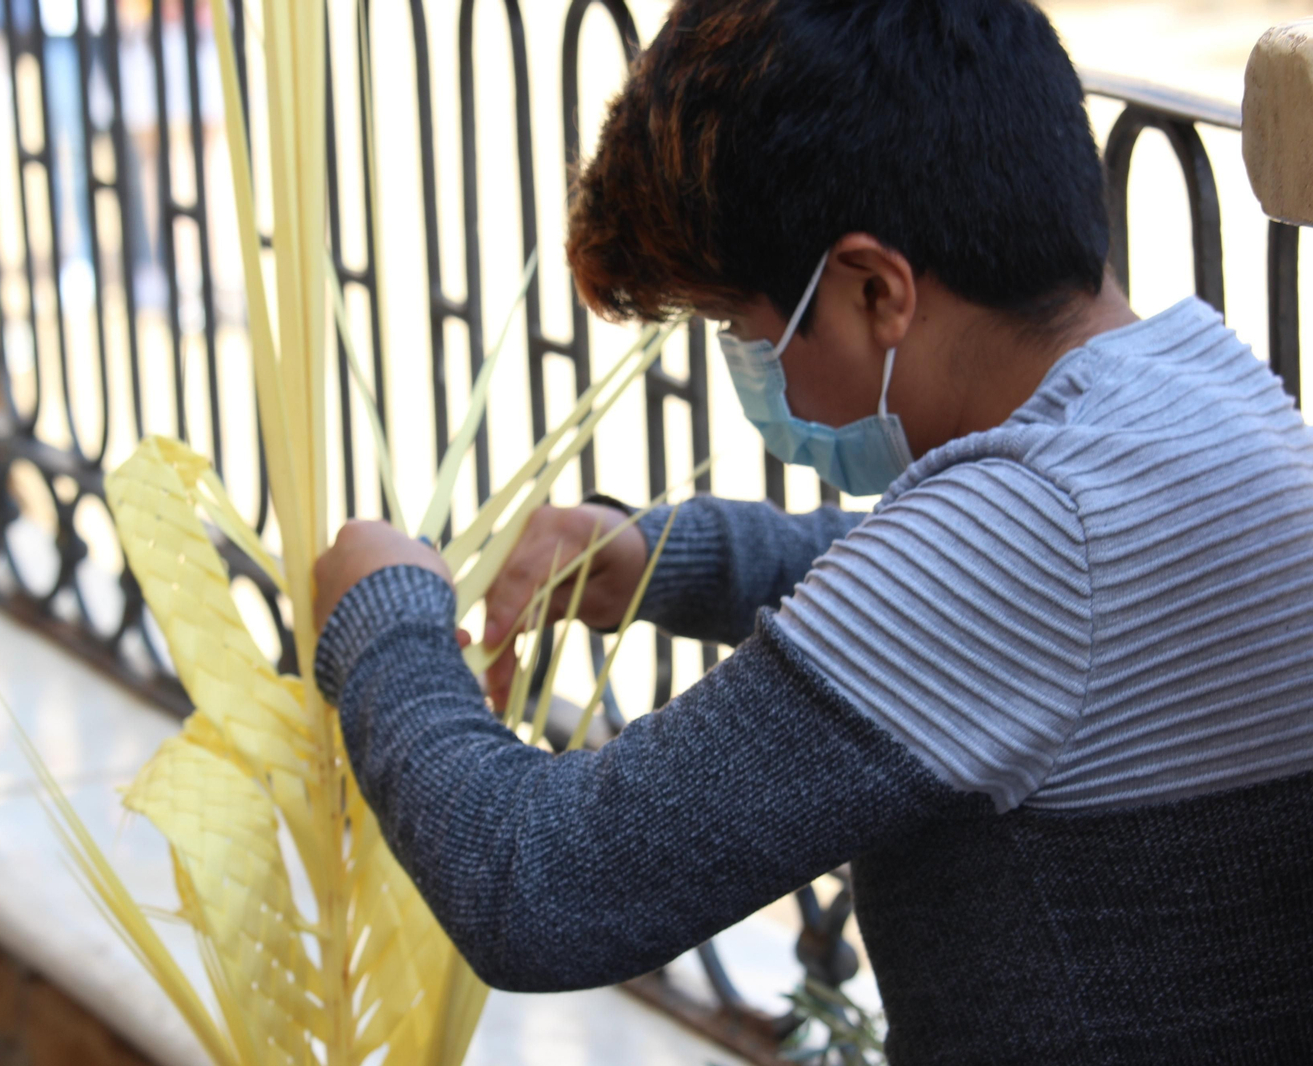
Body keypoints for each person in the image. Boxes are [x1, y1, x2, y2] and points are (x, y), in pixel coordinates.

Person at [311, 0, 1313, 1060]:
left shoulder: (1022, 537)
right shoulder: (1196, 396)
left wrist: (383, 622)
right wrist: (667, 561)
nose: (754, 370)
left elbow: (542, 882)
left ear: (875, 288)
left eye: (746, 331)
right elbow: (981, 622)